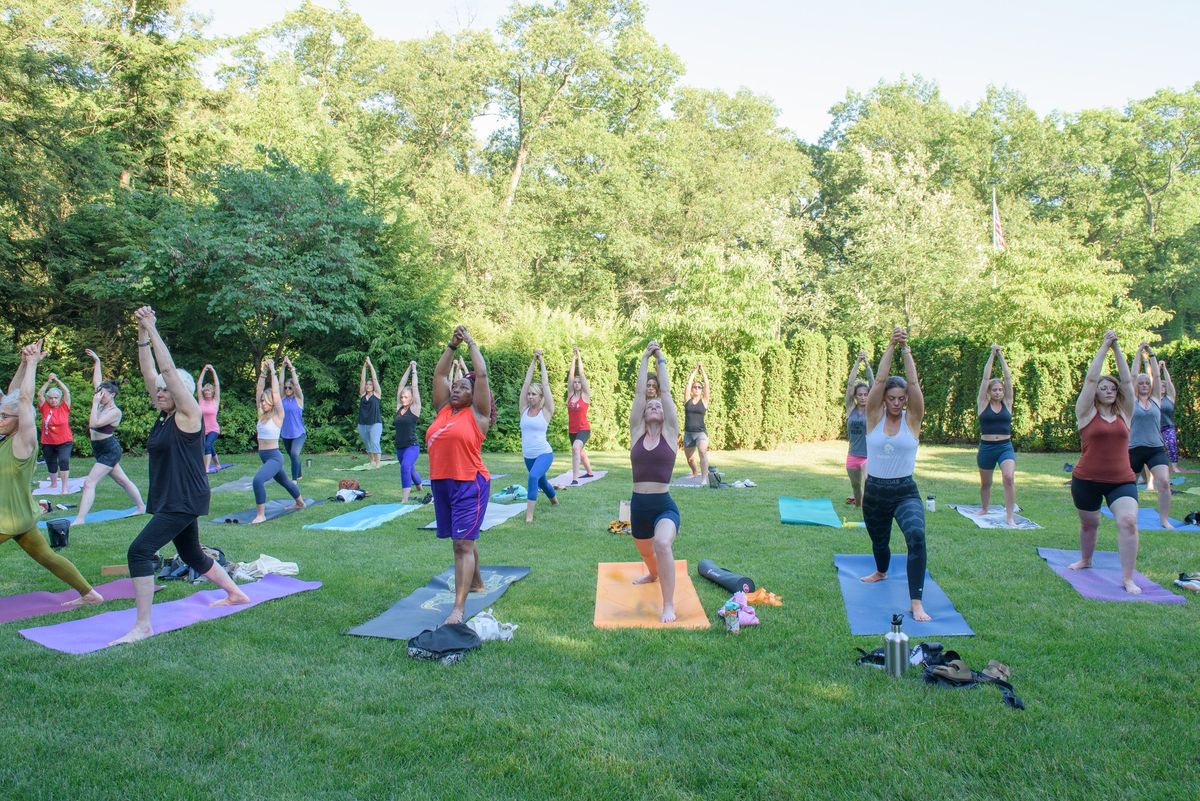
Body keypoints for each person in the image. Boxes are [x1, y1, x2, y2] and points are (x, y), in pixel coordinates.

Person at [111, 306, 248, 645]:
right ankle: (235, 593)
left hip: (183, 497)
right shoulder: (163, 414)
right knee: (191, 555)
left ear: (179, 393)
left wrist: (154, 328)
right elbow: (152, 372)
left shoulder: (188, 414)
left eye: (165, 390)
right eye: (157, 390)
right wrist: (141, 333)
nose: (158, 392)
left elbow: (168, 370)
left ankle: (143, 625)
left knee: (139, 552)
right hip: (176, 495)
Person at [1, 342, 103, 608]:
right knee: (47, 557)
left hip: (6, 519)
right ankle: (89, 594)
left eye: (3, 416)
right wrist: (24, 363)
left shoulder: (23, 441)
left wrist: (34, 364)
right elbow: (14, 396)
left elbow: (22, 400)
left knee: (47, 556)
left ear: (19, 419)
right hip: (21, 517)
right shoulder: (6, 435)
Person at [859, 328, 931, 623]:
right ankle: (881, 570)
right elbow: (878, 380)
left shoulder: (912, 421)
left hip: (905, 491)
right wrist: (890, 345)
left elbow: (913, 382)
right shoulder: (873, 417)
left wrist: (906, 350)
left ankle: (916, 602)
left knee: (916, 537)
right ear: (884, 399)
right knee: (879, 542)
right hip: (875, 491)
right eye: (892, 398)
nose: (897, 403)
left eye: (901, 398)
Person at [428, 325, 492, 625]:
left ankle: (458, 608)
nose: (455, 388)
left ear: (473, 395)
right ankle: (477, 582)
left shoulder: (478, 415)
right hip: (442, 483)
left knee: (461, 544)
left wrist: (470, 343)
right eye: (455, 386)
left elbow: (482, 376)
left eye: (462, 387)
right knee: (463, 538)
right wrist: (451, 345)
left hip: (470, 483)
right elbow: (439, 376)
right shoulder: (442, 409)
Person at [1069, 331, 1141, 593]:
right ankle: (1086, 559)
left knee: (1128, 522)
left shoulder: (1126, 413)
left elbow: (1127, 381)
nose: (1109, 391)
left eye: (1112, 388)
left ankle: (1128, 578)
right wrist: (1104, 346)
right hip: (1086, 480)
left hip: (1121, 480)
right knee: (1090, 523)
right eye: (1103, 388)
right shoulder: (1085, 413)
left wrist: (1117, 348)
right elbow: (1090, 379)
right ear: (1096, 394)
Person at [628, 340, 682, 624]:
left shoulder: (671, 434)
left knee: (662, 544)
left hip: (664, 505)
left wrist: (660, 357)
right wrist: (644, 358)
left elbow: (667, 392)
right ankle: (652, 573)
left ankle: (669, 604)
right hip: (638, 507)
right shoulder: (636, 433)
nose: (654, 406)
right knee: (646, 551)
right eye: (651, 405)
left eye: (659, 405)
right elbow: (640, 393)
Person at [73, 348, 145, 526]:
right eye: (99, 393)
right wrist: (97, 361)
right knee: (123, 481)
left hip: (109, 450)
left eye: (102, 394)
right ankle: (141, 506)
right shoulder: (102, 401)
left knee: (89, 483)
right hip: (100, 449)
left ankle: (80, 519)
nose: (99, 396)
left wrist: (94, 404)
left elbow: (94, 424)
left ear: (112, 394)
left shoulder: (114, 411)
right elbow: (97, 381)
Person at [249, 360, 305, 524]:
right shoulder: (261, 415)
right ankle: (300, 502)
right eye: (261, 402)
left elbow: (275, 393)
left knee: (258, 480)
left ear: (272, 402)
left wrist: (273, 370)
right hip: (265, 456)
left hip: (274, 456)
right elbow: (259, 390)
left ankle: (261, 515)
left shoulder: (277, 415)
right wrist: (263, 373)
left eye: (265, 401)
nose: (262, 403)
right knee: (285, 481)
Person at [1128, 342, 1172, 528]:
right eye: (1141, 383)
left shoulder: (1156, 400)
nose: (1145, 385)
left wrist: (1151, 354)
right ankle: (1130, 518)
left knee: (1164, 482)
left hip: (1155, 449)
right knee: (1129, 486)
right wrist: (1139, 352)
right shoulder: (1131, 401)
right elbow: (1132, 376)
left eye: (1147, 383)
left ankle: (1164, 520)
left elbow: (1156, 374)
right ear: (1137, 386)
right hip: (1134, 449)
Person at [975, 345, 1018, 527]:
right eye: (995, 390)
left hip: (1005, 447)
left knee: (1008, 478)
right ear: (989, 392)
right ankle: (984, 507)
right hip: (986, 448)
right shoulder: (983, 403)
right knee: (986, 483)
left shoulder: (1008, 402)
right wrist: (992, 355)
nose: (998, 392)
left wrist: (1001, 356)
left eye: (1000, 389)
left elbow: (1008, 378)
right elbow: (986, 378)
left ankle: (1010, 517)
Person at [520, 349, 559, 523]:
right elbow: (526, 382)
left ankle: (529, 516)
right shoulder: (524, 409)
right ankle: (554, 500)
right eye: (529, 394)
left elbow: (546, 384)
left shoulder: (546, 411)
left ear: (541, 396)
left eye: (533, 394)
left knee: (533, 477)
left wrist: (542, 360)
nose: (530, 396)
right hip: (528, 456)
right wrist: (532, 362)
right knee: (542, 482)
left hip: (544, 454)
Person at [844, 351, 873, 507]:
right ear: (855, 396)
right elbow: (850, 385)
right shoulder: (850, 409)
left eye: (866, 394)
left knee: (869, 482)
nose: (863, 397)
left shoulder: (873, 409)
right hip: (853, 454)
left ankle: (869, 507)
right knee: (856, 488)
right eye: (860, 394)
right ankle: (859, 505)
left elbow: (874, 383)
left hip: (868, 455)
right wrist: (857, 362)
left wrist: (867, 364)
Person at [37, 372, 74, 493]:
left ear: (60, 398)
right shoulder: (45, 407)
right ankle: (53, 484)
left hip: (64, 441)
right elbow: (40, 394)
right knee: (50, 462)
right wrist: (48, 381)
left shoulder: (64, 406)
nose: (53, 400)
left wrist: (57, 380)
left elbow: (67, 392)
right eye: (51, 398)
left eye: (56, 397)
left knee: (63, 460)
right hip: (47, 441)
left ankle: (64, 487)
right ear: (48, 399)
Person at [394, 360, 423, 503]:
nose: (403, 399)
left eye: (406, 397)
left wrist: (414, 370)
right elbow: (401, 385)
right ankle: (419, 485)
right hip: (399, 447)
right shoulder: (399, 408)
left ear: (412, 398)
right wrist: (408, 367)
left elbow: (415, 387)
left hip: (412, 446)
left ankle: (405, 499)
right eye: (402, 397)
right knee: (410, 469)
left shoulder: (415, 408)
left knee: (405, 467)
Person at [566, 347, 595, 484]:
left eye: (579, 382)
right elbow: (571, 376)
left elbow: (581, 374)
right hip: (572, 430)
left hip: (584, 429)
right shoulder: (570, 396)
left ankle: (575, 478)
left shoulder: (585, 396)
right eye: (575, 382)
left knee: (576, 448)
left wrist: (579, 356)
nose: (577, 383)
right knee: (580, 452)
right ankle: (589, 473)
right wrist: (573, 358)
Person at [682, 363, 711, 481]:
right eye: (695, 387)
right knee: (690, 459)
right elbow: (688, 383)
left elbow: (707, 385)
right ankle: (695, 472)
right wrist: (695, 371)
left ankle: (704, 479)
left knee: (703, 452)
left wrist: (702, 370)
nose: (697, 388)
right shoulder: (687, 401)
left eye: (699, 387)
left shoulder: (704, 401)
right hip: (688, 434)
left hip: (701, 433)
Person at [279, 356, 306, 481]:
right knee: (292, 456)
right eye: (286, 387)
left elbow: (296, 383)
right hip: (286, 434)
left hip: (299, 433)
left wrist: (291, 367)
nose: (287, 389)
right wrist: (283, 367)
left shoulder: (299, 399)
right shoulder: (282, 399)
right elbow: (280, 382)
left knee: (295, 454)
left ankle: (294, 480)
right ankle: (299, 474)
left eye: (290, 387)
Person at [1158, 360, 1182, 475]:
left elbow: (1169, 381)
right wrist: (1157, 368)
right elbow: (1153, 381)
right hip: (1155, 428)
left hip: (1168, 427)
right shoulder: (1153, 399)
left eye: (1164, 386)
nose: (1162, 387)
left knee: (1172, 445)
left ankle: (1175, 467)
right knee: (1156, 449)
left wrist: (1164, 368)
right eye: (1160, 386)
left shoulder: (1170, 398)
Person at [358, 356, 383, 468]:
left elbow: (375, 379)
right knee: (367, 443)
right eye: (367, 385)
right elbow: (362, 379)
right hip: (362, 423)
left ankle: (378, 463)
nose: (368, 386)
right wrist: (364, 365)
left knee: (374, 443)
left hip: (375, 423)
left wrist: (371, 365)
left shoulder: (377, 395)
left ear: (373, 386)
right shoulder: (363, 395)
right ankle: (371, 461)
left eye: (370, 384)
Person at [196, 364, 221, 473]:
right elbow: (198, 384)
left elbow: (217, 384)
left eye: (209, 391)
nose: (207, 392)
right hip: (203, 429)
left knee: (207, 445)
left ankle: (205, 469)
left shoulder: (215, 401)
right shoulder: (201, 400)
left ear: (212, 392)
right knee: (209, 446)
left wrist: (213, 370)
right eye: (205, 391)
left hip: (213, 429)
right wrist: (204, 370)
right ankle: (217, 464)